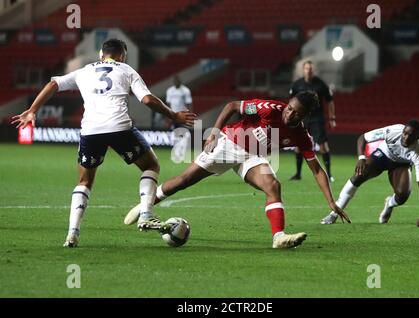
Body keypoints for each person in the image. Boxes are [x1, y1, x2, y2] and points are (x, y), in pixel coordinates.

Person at [11, 39, 197, 247]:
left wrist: (33, 110)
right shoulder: (126, 70)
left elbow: (54, 83)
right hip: (119, 127)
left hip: (90, 130)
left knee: (84, 182)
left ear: (101, 54)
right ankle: (146, 213)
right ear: (122, 56)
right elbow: (147, 100)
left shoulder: (84, 71)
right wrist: (173, 115)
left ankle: (72, 234)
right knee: (151, 165)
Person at [125, 91, 351, 248]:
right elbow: (232, 106)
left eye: (296, 113)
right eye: (290, 108)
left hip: (252, 157)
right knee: (184, 180)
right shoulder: (269, 109)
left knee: (273, 185)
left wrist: (331, 202)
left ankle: (279, 236)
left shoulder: (302, 136)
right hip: (229, 143)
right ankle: (145, 205)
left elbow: (317, 169)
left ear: (305, 116)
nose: (289, 114)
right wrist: (214, 132)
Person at [320, 120, 419, 228]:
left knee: (403, 195)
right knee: (359, 175)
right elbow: (362, 138)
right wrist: (361, 158)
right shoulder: (392, 131)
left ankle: (390, 204)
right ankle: (334, 214)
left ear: (417, 137)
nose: (406, 137)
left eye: (410, 136)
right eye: (405, 133)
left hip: (402, 165)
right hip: (383, 155)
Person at [289, 61, 336, 181]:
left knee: (323, 146)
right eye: (306, 68)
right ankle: (298, 174)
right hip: (302, 119)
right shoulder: (297, 85)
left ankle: (329, 174)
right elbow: (291, 102)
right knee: (298, 145)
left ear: (313, 70)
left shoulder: (320, 84)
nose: (308, 71)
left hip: (317, 119)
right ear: (303, 70)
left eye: (310, 69)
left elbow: (330, 100)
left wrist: (332, 118)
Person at [166, 75, 193, 162]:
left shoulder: (185, 91)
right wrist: (168, 116)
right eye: (175, 80)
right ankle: (177, 152)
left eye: (178, 80)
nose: (177, 81)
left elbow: (189, 104)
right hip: (173, 116)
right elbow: (168, 105)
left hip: (182, 116)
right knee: (175, 135)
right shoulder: (170, 91)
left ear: (180, 81)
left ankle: (180, 153)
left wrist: (190, 116)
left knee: (182, 134)